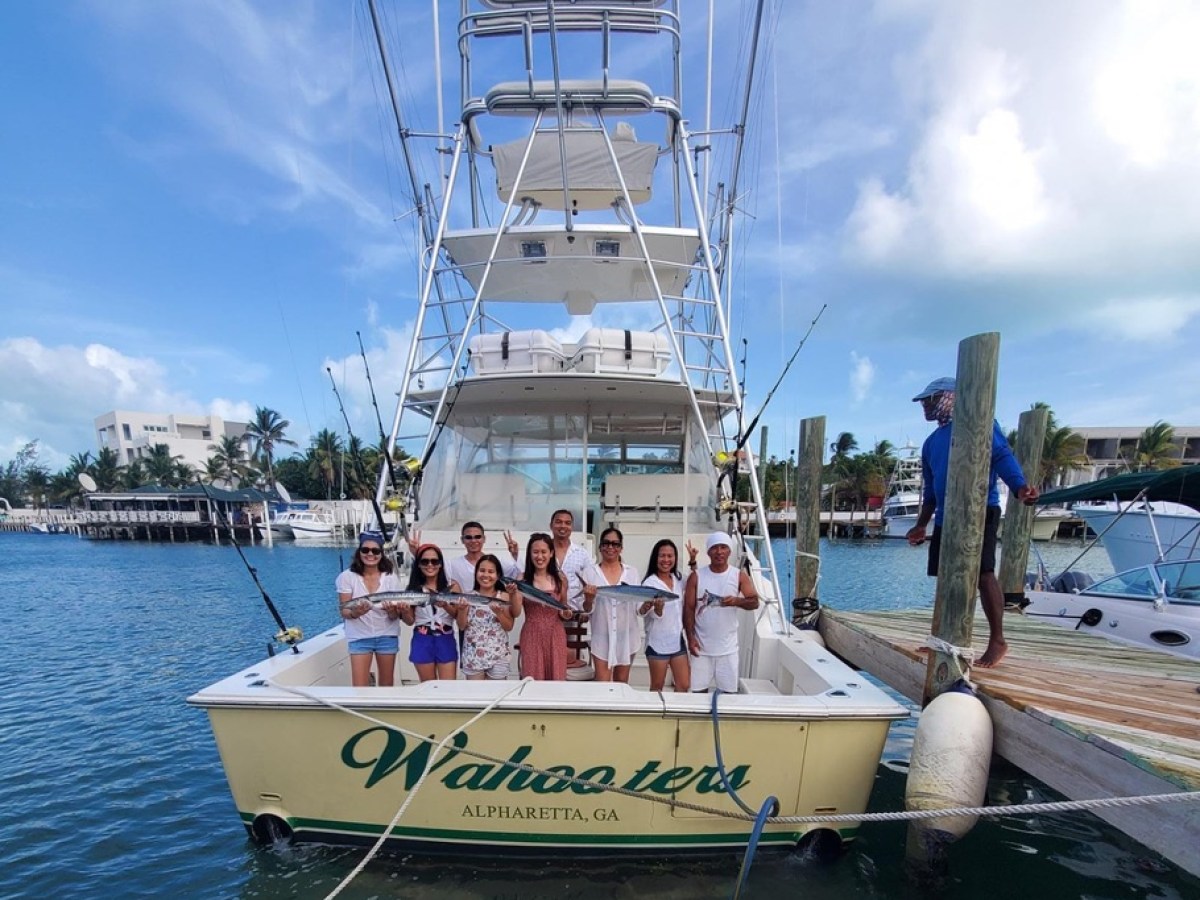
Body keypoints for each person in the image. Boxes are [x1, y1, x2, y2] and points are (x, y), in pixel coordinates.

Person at [906, 376, 1040, 669]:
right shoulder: (931, 443)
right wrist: (921, 524)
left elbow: (1002, 456)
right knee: (947, 576)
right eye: (923, 402)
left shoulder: (981, 425)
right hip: (946, 516)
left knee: (983, 574)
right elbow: (931, 490)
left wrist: (1019, 488)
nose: (924, 407)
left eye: (930, 400)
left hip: (980, 510)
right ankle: (944, 636)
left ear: (949, 397)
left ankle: (998, 640)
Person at [683, 531, 758, 693]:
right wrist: (690, 638)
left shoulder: (739, 576)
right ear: (708, 552)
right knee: (697, 693)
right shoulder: (696, 576)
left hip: (728, 650)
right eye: (714, 548)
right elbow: (688, 609)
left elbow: (754, 602)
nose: (719, 552)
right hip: (701, 649)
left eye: (723, 547)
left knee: (729, 695)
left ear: (729, 551)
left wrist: (736, 601)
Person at [336, 532, 405, 687]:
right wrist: (356, 613)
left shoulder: (390, 577)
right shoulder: (346, 577)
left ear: (381, 554)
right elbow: (344, 610)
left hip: (387, 635)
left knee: (387, 684)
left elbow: (395, 615)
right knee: (359, 685)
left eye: (375, 551)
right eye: (365, 550)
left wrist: (392, 611)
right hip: (359, 637)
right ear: (359, 552)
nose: (370, 554)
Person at [580, 527, 642, 683]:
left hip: (627, 637)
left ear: (621, 548)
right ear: (600, 546)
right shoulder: (589, 572)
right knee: (602, 683)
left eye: (615, 544)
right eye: (606, 543)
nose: (610, 547)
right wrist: (588, 599)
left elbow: (639, 608)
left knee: (622, 682)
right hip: (601, 636)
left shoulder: (632, 572)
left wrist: (651, 605)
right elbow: (586, 611)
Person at [517, 532, 573, 680]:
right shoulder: (522, 579)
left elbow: (563, 607)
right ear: (529, 554)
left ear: (551, 553)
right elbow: (515, 611)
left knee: (557, 677)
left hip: (555, 634)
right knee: (532, 678)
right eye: (535, 552)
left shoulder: (560, 579)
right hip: (531, 633)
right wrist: (512, 594)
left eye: (544, 552)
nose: (539, 556)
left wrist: (566, 613)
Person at [455, 554, 520, 680]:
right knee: (476, 697)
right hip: (473, 655)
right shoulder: (468, 596)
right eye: (482, 570)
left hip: (498, 655)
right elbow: (462, 626)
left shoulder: (504, 597)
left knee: (496, 695)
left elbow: (509, 626)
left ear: (498, 575)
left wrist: (499, 613)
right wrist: (462, 610)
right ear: (476, 573)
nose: (486, 575)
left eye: (491, 572)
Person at [402, 543, 461, 682]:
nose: (430, 565)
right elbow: (410, 621)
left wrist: (446, 606)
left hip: (445, 638)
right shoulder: (412, 588)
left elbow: (458, 616)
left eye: (434, 561)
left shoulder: (452, 586)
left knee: (448, 687)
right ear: (419, 565)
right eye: (424, 561)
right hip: (422, 639)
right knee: (428, 686)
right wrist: (404, 611)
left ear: (440, 564)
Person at [640, 538, 691, 693]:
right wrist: (657, 610)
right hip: (657, 641)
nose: (666, 560)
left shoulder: (677, 579)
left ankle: (676, 716)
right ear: (655, 558)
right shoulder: (649, 583)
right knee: (657, 687)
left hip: (677, 640)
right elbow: (643, 612)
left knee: (683, 685)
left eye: (670, 556)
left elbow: (694, 581)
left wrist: (693, 561)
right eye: (662, 556)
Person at [548, 508, 593, 668]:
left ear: (572, 527)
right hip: (547, 615)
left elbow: (590, 585)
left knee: (570, 661)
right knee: (548, 659)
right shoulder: (543, 552)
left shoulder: (582, 554)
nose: (563, 526)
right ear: (551, 525)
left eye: (567, 523)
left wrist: (586, 611)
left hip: (574, 617)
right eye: (558, 522)